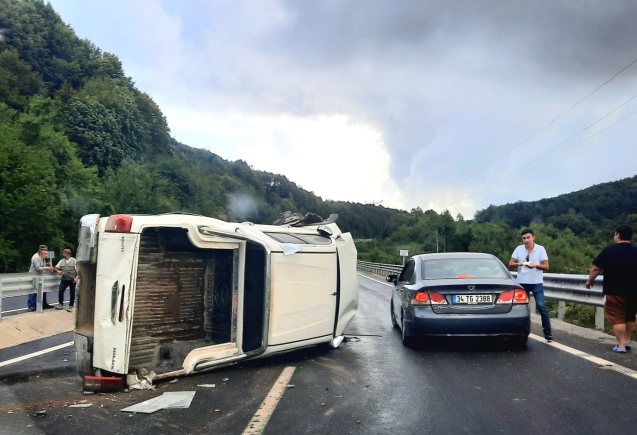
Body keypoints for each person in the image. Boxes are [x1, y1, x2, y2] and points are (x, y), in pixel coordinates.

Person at [585, 225, 637, 353]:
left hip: (614, 291)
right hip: (634, 291)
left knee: (617, 317)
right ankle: (627, 340)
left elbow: (596, 268)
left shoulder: (609, 251)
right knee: (630, 316)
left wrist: (590, 280)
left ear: (618, 235)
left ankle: (620, 345)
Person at [509, 229, 553, 341]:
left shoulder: (540, 249)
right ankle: (522, 331)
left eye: (528, 237)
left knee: (541, 306)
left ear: (533, 237)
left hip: (536, 282)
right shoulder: (519, 249)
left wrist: (535, 266)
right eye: (524, 238)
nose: (526, 240)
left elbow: (546, 266)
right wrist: (519, 263)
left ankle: (547, 332)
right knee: (521, 308)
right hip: (522, 283)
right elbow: (510, 264)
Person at [27, 245, 54, 311]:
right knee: (33, 291)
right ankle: (31, 306)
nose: (46, 255)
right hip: (33, 275)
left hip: (40, 276)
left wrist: (47, 265)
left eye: (46, 254)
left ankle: (44, 304)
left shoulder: (42, 258)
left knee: (43, 290)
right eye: (45, 254)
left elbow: (42, 266)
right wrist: (48, 268)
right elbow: (38, 267)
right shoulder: (36, 257)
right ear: (41, 252)